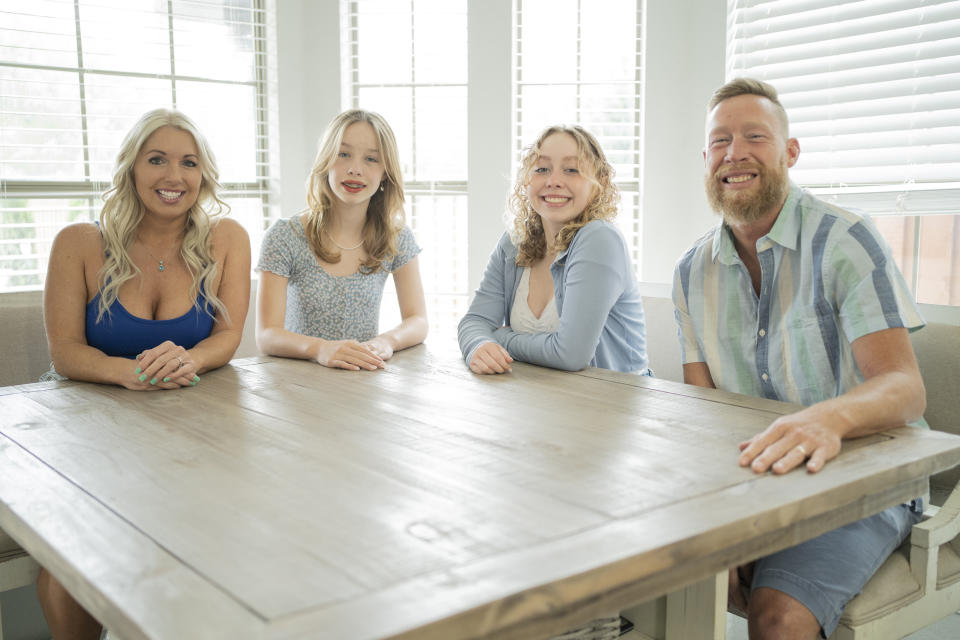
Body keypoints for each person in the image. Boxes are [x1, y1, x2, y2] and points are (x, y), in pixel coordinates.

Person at [673, 77, 927, 639]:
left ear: (789, 152)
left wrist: (826, 417)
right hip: (752, 483)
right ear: (706, 159)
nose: (734, 153)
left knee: (776, 619)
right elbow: (702, 414)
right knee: (649, 583)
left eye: (754, 136)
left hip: (864, 479)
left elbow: (905, 388)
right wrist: (725, 522)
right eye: (719, 141)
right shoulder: (690, 271)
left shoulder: (845, 241)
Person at [39, 108, 251, 638]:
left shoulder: (227, 238)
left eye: (188, 163)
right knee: (73, 559)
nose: (173, 177)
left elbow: (227, 338)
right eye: (156, 160)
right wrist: (125, 372)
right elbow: (64, 352)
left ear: (204, 175)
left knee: (218, 537)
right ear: (132, 168)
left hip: (188, 418)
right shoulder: (78, 242)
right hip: (86, 425)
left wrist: (191, 357)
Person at [458, 124, 648, 377]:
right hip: (539, 399)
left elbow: (570, 354)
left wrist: (501, 338)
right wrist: (480, 345)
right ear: (527, 178)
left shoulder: (600, 239)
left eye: (571, 170)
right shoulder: (514, 242)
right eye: (542, 169)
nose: (554, 181)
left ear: (600, 182)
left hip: (611, 404)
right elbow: (474, 321)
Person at [256, 109, 427, 369]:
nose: (355, 169)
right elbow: (267, 335)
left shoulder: (396, 237)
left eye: (371, 159)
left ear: (385, 173)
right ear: (326, 161)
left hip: (361, 381)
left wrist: (387, 341)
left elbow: (418, 320)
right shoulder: (284, 236)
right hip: (294, 384)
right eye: (343, 154)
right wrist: (320, 349)